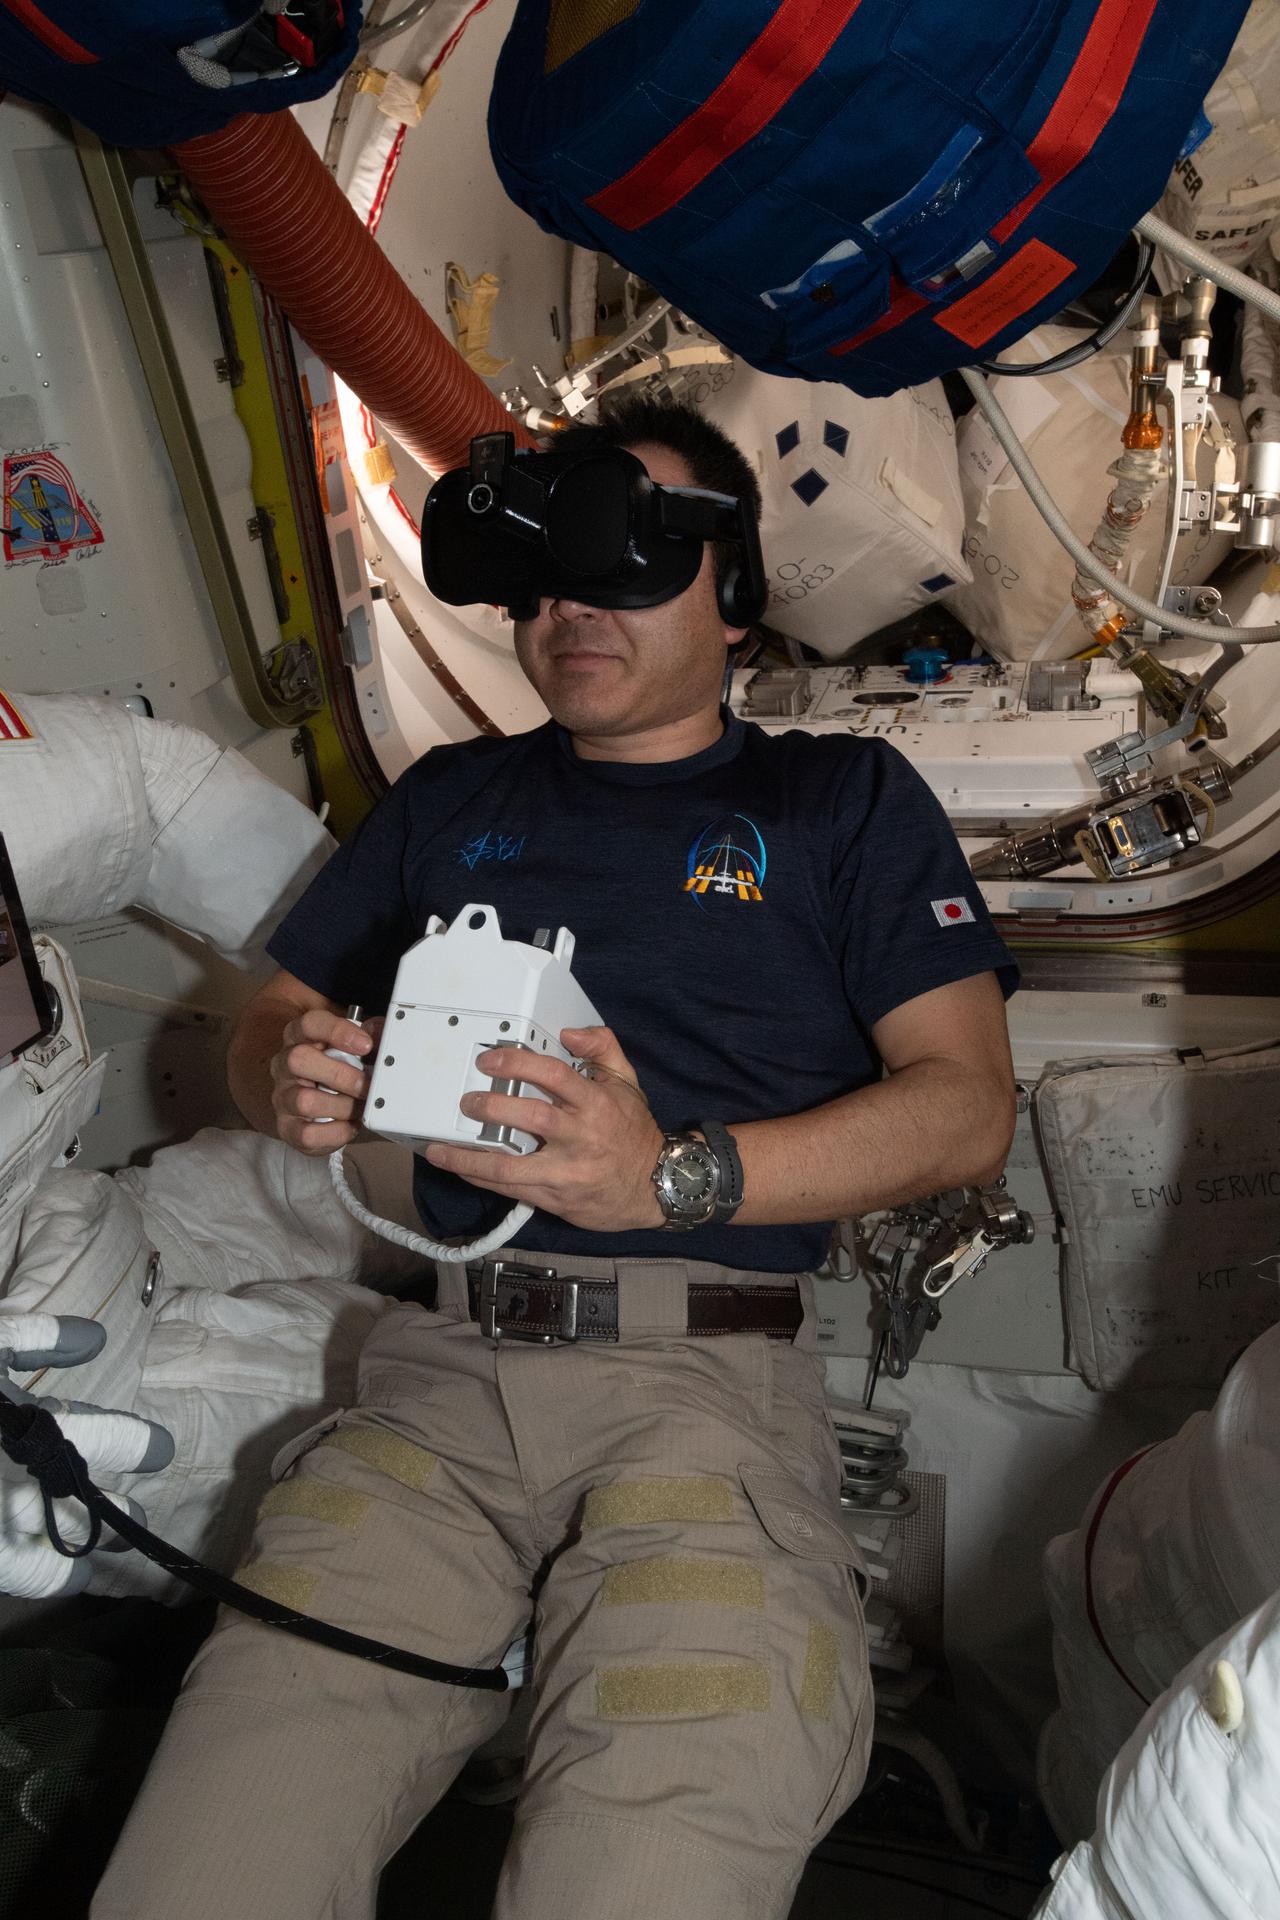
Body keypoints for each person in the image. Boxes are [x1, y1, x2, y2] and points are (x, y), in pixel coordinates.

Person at [94, 396, 1017, 1920]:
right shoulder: (451, 799)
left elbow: (967, 1105)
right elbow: (268, 1022)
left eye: (622, 557)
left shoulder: (840, 805)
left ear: (733, 590)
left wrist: (673, 1177)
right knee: (207, 1861)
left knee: (638, 1874)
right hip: (435, 1391)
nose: (569, 605)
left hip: (701, 1400)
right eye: (544, 571)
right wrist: (290, 1078)